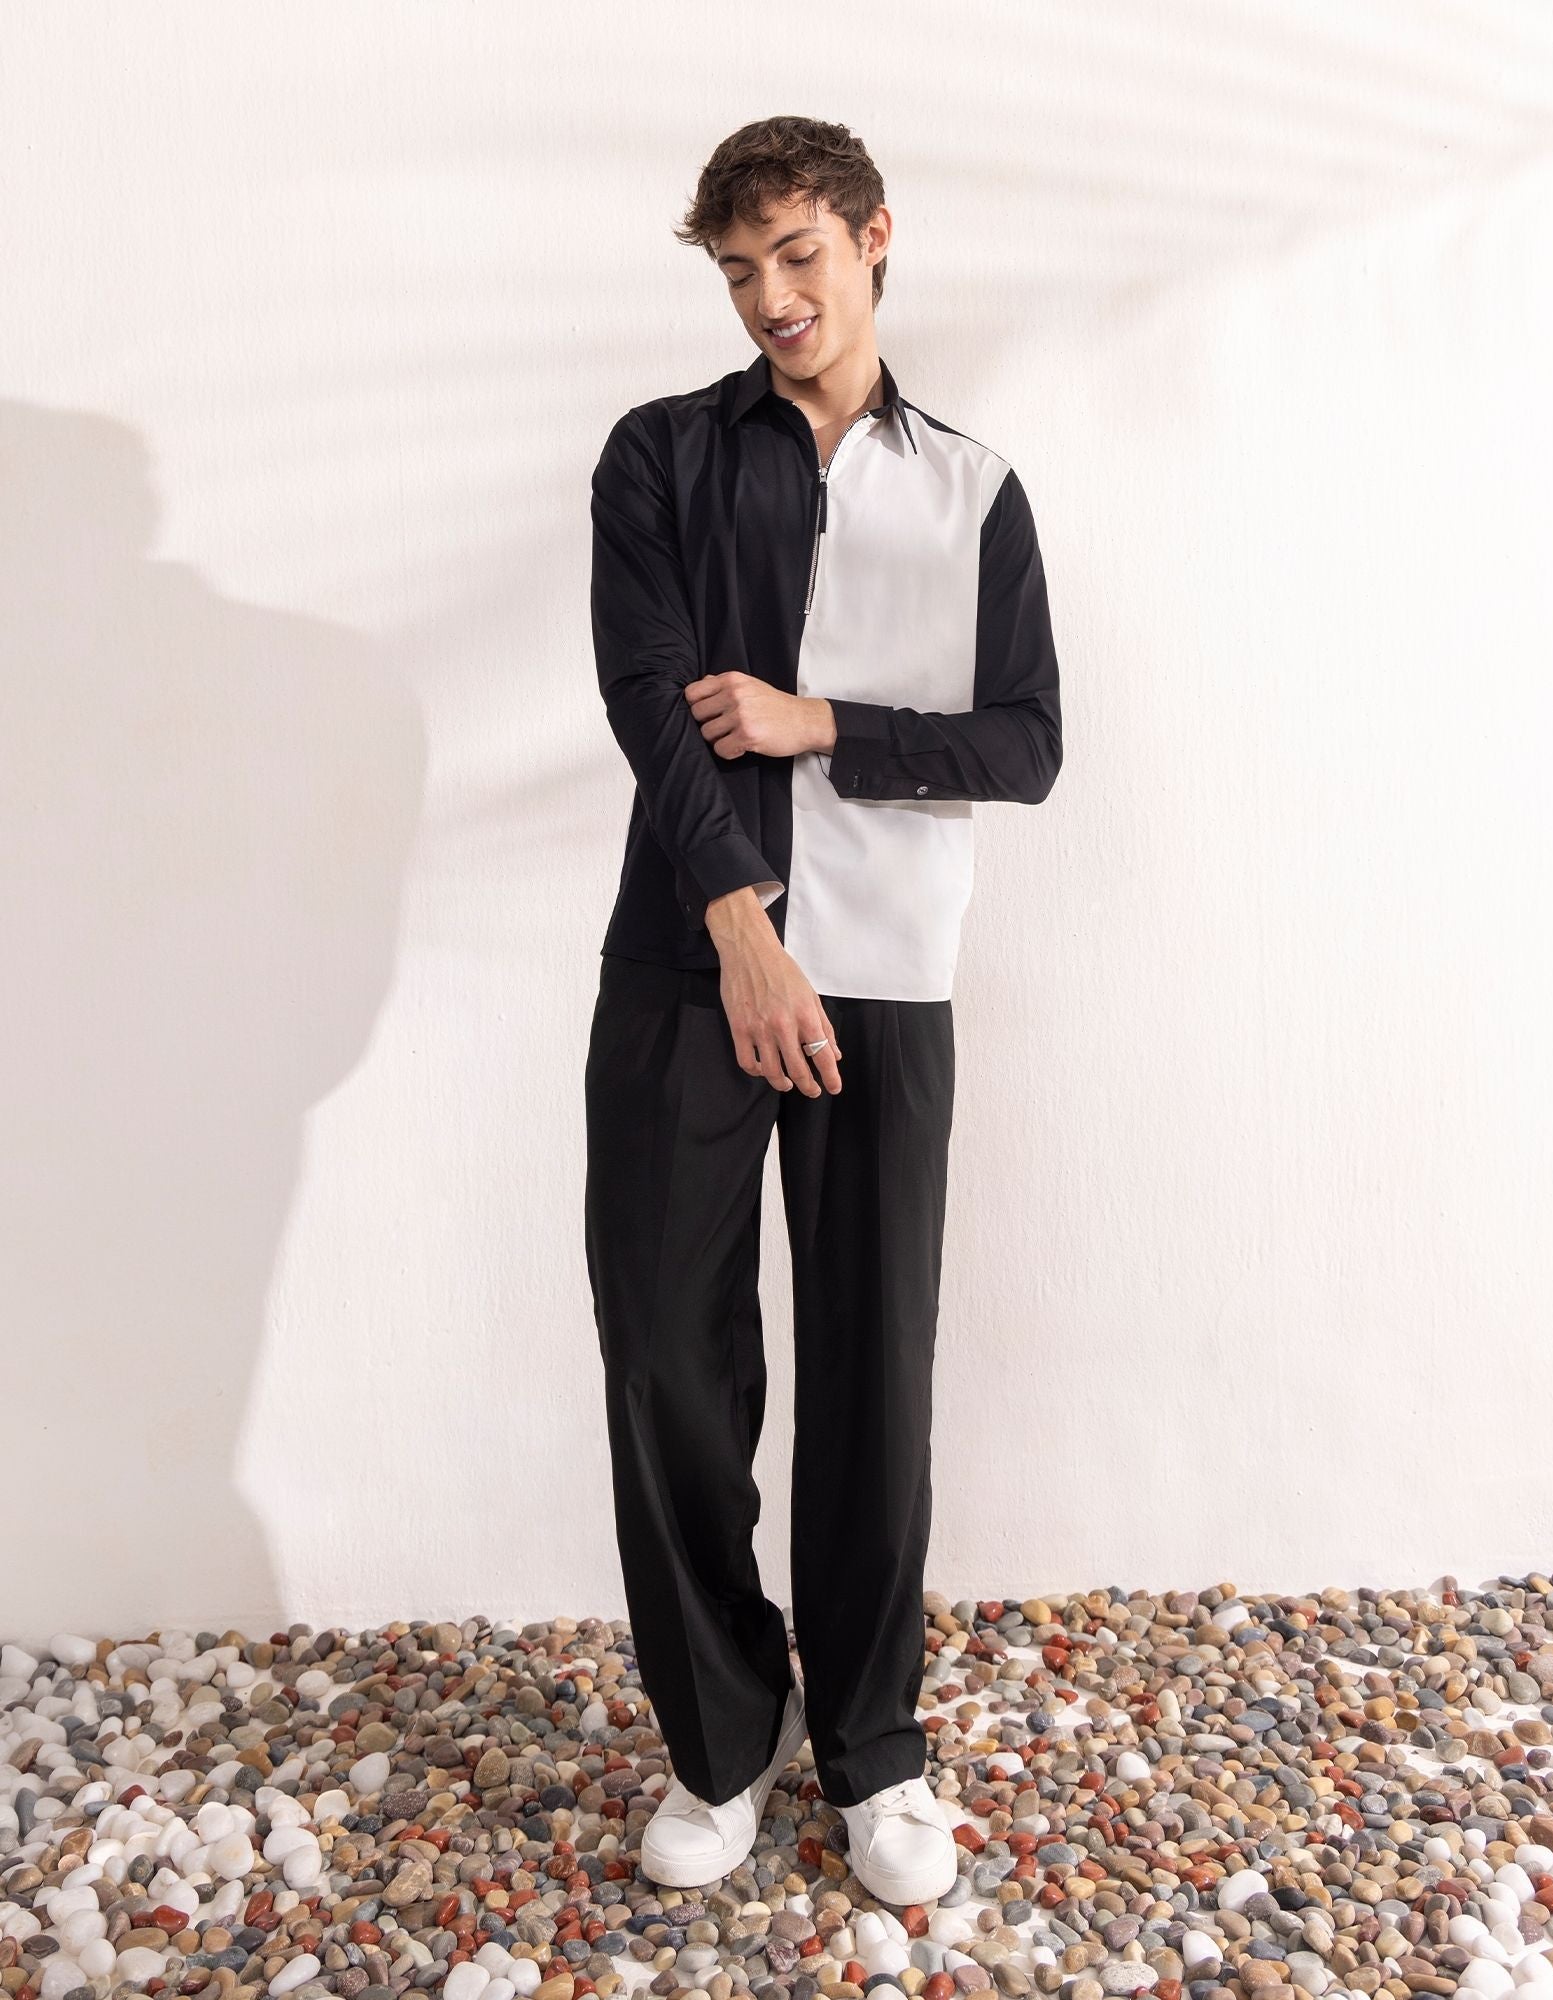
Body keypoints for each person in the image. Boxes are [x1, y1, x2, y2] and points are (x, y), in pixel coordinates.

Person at [583, 114, 1062, 1908]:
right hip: (690, 959)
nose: (771, 297)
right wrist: (741, 926)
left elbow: (1026, 742)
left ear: (873, 239)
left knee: (873, 1367)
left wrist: (824, 722)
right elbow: (648, 695)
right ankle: (726, 1733)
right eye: (739, 271)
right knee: (663, 1350)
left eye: (797, 254)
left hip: (889, 979)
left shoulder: (975, 489)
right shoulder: (658, 454)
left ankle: (875, 1748)